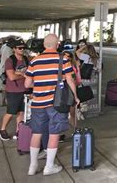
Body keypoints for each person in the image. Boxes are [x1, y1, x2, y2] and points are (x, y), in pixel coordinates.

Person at [24, 34, 80, 176]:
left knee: (37, 133)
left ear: (44, 44)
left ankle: (32, 166)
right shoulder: (63, 59)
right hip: (56, 104)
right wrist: (75, 97)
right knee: (54, 133)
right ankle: (49, 166)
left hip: (37, 103)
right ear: (58, 44)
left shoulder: (34, 61)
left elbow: (27, 84)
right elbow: (70, 80)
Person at [0, 39, 28, 141]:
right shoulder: (10, 61)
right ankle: (2, 130)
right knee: (11, 112)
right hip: (13, 91)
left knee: (21, 113)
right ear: (14, 49)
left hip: (24, 90)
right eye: (19, 48)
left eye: (23, 48)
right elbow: (11, 77)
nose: (22, 50)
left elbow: (29, 73)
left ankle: (18, 131)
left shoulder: (26, 60)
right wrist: (23, 74)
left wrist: (19, 73)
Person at [0, 37, 15, 106]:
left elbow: (0, 54)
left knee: (4, 86)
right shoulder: (9, 50)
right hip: (6, 70)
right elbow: (11, 60)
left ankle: (3, 101)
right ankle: (9, 102)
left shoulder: (4, 46)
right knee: (8, 86)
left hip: (2, 69)